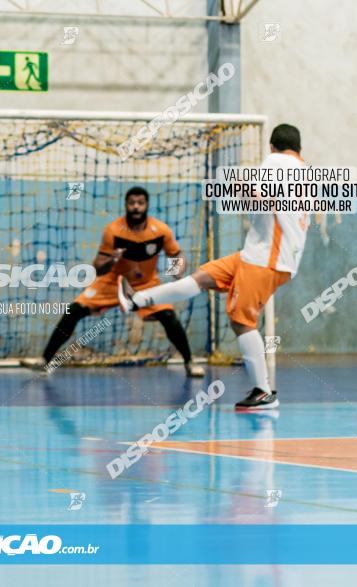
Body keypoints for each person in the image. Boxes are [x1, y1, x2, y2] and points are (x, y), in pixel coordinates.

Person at [119, 124, 308, 410]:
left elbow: (261, 198)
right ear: (299, 148)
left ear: (271, 146)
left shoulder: (276, 162)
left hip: (267, 258)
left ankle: (263, 392)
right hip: (261, 254)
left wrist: (241, 188)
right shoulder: (304, 170)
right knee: (202, 278)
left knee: (241, 321)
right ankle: (138, 300)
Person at [31, 186, 204, 378]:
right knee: (74, 311)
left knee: (169, 317)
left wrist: (176, 272)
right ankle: (45, 361)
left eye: (140, 203)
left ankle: (189, 362)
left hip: (147, 284)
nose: (136, 207)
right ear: (126, 205)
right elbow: (97, 267)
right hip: (113, 282)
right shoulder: (113, 230)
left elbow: (176, 254)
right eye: (132, 203)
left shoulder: (160, 230)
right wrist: (112, 260)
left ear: (146, 205)